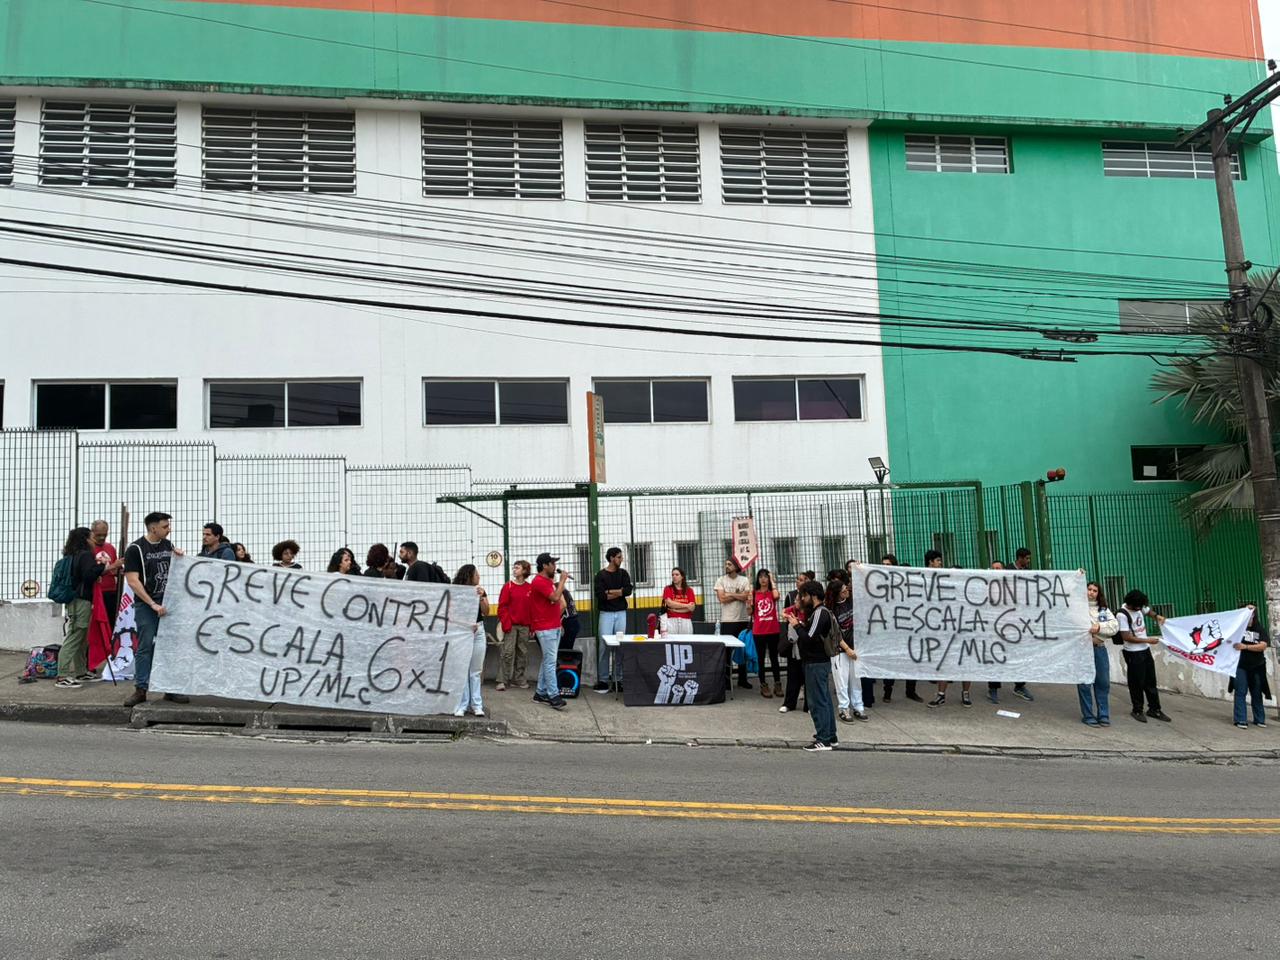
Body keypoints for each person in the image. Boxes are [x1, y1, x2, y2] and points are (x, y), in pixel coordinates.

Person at [123, 511, 187, 707]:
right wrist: (152, 603)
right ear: (153, 528)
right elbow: (133, 581)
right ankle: (141, 689)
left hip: (168, 603)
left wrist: (179, 556)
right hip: (147, 605)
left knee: (170, 646)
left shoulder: (167, 545)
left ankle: (171, 689)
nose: (169, 530)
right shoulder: (136, 549)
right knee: (145, 646)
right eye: (165, 527)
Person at [54, 527, 118, 688]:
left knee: (81, 637)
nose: (94, 539)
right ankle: (62, 675)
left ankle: (81, 672)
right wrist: (107, 568)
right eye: (91, 536)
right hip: (80, 601)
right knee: (75, 636)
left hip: (77, 600)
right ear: (85, 538)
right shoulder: (85, 555)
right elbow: (89, 575)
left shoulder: (73, 554)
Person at [783, 581, 838, 751]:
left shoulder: (820, 613)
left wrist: (796, 625)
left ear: (813, 596)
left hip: (816, 662)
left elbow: (808, 638)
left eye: (804, 595)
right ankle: (830, 735)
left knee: (818, 701)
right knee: (824, 700)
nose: (801, 599)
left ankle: (823, 739)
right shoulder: (817, 612)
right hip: (817, 662)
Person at [1115, 590, 1171, 723]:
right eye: (1137, 607)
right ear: (1131, 604)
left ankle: (1154, 709)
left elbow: (1148, 611)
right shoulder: (1122, 615)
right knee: (1136, 683)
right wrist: (1147, 640)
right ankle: (1137, 709)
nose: (1140, 609)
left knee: (1151, 681)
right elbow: (1127, 637)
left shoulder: (1139, 606)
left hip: (1145, 651)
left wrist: (1157, 616)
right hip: (1133, 653)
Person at [987, 552, 1034, 704]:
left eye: (999, 568)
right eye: (993, 568)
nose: (997, 571)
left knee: (1017, 655)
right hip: (995, 627)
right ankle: (993, 688)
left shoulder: (1012, 581)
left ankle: (1019, 686)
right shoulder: (987, 584)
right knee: (996, 656)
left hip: (1015, 625)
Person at [529, 552, 570, 710]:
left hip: (552, 626)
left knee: (547, 660)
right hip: (545, 628)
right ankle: (553, 695)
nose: (555, 566)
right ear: (545, 565)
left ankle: (540, 692)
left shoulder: (547, 581)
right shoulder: (539, 582)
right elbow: (555, 598)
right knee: (551, 662)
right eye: (552, 563)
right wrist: (562, 581)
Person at [881, 553, 923, 704]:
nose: (885, 568)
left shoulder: (912, 586)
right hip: (893, 628)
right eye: (883, 565)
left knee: (912, 660)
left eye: (888, 565)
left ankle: (911, 691)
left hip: (910, 628)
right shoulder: (883, 583)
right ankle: (887, 691)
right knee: (891, 660)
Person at [593, 547, 633, 693]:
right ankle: (603, 680)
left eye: (621, 557)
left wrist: (610, 591)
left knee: (620, 646)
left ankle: (618, 679)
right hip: (606, 614)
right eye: (618, 557)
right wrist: (620, 592)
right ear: (611, 558)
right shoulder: (601, 575)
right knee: (604, 646)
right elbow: (601, 596)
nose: (621, 559)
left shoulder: (623, 573)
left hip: (621, 612)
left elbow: (628, 590)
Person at [1078, 581, 1118, 726]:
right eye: (1089, 589)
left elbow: (1113, 627)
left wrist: (1099, 628)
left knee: (1103, 682)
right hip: (1082, 651)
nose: (1091, 592)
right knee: (1084, 683)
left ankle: (1103, 715)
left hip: (1099, 649)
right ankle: (1088, 715)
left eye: (1095, 590)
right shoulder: (1077, 608)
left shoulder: (1103, 610)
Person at [828, 576, 867, 723]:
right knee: (842, 681)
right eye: (844, 590)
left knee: (856, 680)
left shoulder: (851, 602)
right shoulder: (831, 610)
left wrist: (859, 570)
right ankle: (844, 708)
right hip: (840, 650)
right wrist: (847, 649)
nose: (847, 592)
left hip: (856, 648)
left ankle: (858, 707)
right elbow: (835, 633)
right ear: (838, 593)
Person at [452, 564, 489, 718]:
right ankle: (462, 704)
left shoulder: (479, 590)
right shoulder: (457, 592)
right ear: (469, 575)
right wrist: (466, 625)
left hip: (479, 631)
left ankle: (476, 705)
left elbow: (486, 611)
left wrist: (482, 597)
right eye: (476, 573)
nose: (479, 576)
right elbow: (451, 613)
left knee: (475, 670)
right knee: (462, 670)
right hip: (462, 631)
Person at [779, 571, 815, 713]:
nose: (795, 602)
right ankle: (789, 703)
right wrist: (791, 614)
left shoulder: (811, 607)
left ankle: (809, 705)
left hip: (806, 645)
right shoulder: (793, 604)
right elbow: (783, 613)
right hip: (794, 646)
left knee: (808, 678)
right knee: (792, 675)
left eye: (801, 580)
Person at [715, 558, 753, 690]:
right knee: (727, 652)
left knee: (742, 650)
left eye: (729, 564)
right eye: (726, 564)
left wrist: (730, 594)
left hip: (742, 619)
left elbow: (746, 596)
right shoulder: (721, 580)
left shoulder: (744, 580)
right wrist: (738, 594)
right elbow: (722, 599)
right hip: (727, 620)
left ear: (736, 566)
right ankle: (726, 680)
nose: (727, 566)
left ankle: (743, 679)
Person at [496, 560, 533, 692]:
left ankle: (519, 679)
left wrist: (531, 627)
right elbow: (502, 607)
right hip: (511, 625)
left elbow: (532, 609)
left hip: (525, 626)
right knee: (508, 652)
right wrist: (506, 623)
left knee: (523, 653)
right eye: (514, 567)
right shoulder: (508, 587)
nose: (514, 570)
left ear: (524, 571)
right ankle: (502, 680)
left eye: (517, 568)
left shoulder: (530, 588)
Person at [1232, 606, 1270, 730]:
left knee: (1257, 693)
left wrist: (1246, 647)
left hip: (1257, 667)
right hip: (1240, 666)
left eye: (1251, 615)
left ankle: (1259, 719)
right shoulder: (1238, 628)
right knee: (1240, 691)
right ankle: (1240, 719)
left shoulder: (1260, 629)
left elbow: (1263, 646)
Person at [752, 568, 782, 698]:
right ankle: (763, 684)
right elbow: (750, 612)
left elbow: (776, 596)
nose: (763, 579)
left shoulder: (772, 592)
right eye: (761, 577)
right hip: (759, 630)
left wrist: (773, 581)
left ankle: (777, 683)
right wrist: (748, 604)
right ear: (757, 579)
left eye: (766, 577)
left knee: (774, 657)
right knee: (760, 658)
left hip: (773, 629)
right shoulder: (753, 593)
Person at [89, 520, 120, 627]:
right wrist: (113, 566)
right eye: (98, 535)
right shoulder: (88, 549)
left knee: (111, 622)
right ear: (92, 532)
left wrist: (119, 569)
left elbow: (115, 568)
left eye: (105, 535)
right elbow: (90, 573)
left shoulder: (110, 547)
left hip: (111, 591)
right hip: (95, 593)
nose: (102, 538)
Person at [661, 567, 696, 635]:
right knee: (672, 641)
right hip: (671, 620)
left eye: (677, 575)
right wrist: (686, 605)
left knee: (687, 641)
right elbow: (669, 603)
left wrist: (675, 610)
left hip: (686, 620)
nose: (674, 576)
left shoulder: (689, 590)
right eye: (673, 575)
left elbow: (692, 608)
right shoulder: (668, 589)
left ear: (682, 576)